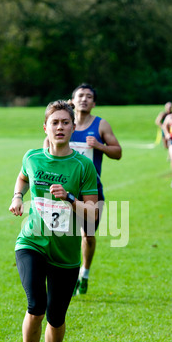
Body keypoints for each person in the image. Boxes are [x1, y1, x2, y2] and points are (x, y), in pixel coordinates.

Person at [9, 100, 98, 342]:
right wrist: (17, 197)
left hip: (66, 252)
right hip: (32, 242)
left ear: (73, 127)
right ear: (45, 127)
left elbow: (92, 214)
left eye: (65, 122)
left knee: (56, 318)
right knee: (36, 305)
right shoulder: (32, 157)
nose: (60, 127)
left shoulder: (82, 165)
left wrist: (69, 197)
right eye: (55, 122)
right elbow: (23, 176)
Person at [44, 83, 122, 295]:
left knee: (87, 235)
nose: (84, 99)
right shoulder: (63, 123)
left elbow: (118, 152)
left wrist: (99, 146)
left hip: (90, 191)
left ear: (94, 102)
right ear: (73, 99)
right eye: (80, 96)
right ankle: (58, 276)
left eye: (89, 96)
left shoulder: (100, 125)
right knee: (57, 234)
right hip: (61, 191)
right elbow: (45, 149)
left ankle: (84, 275)